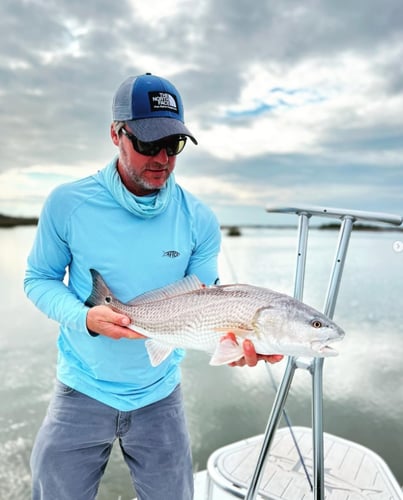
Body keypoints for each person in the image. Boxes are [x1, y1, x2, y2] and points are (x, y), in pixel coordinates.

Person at [24, 73, 283, 500]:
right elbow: (39, 279)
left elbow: (210, 302)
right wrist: (86, 317)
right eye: (147, 143)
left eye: (174, 145)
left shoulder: (198, 218)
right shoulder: (67, 204)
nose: (162, 157)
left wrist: (240, 342)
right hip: (80, 388)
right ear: (116, 134)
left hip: (161, 394)